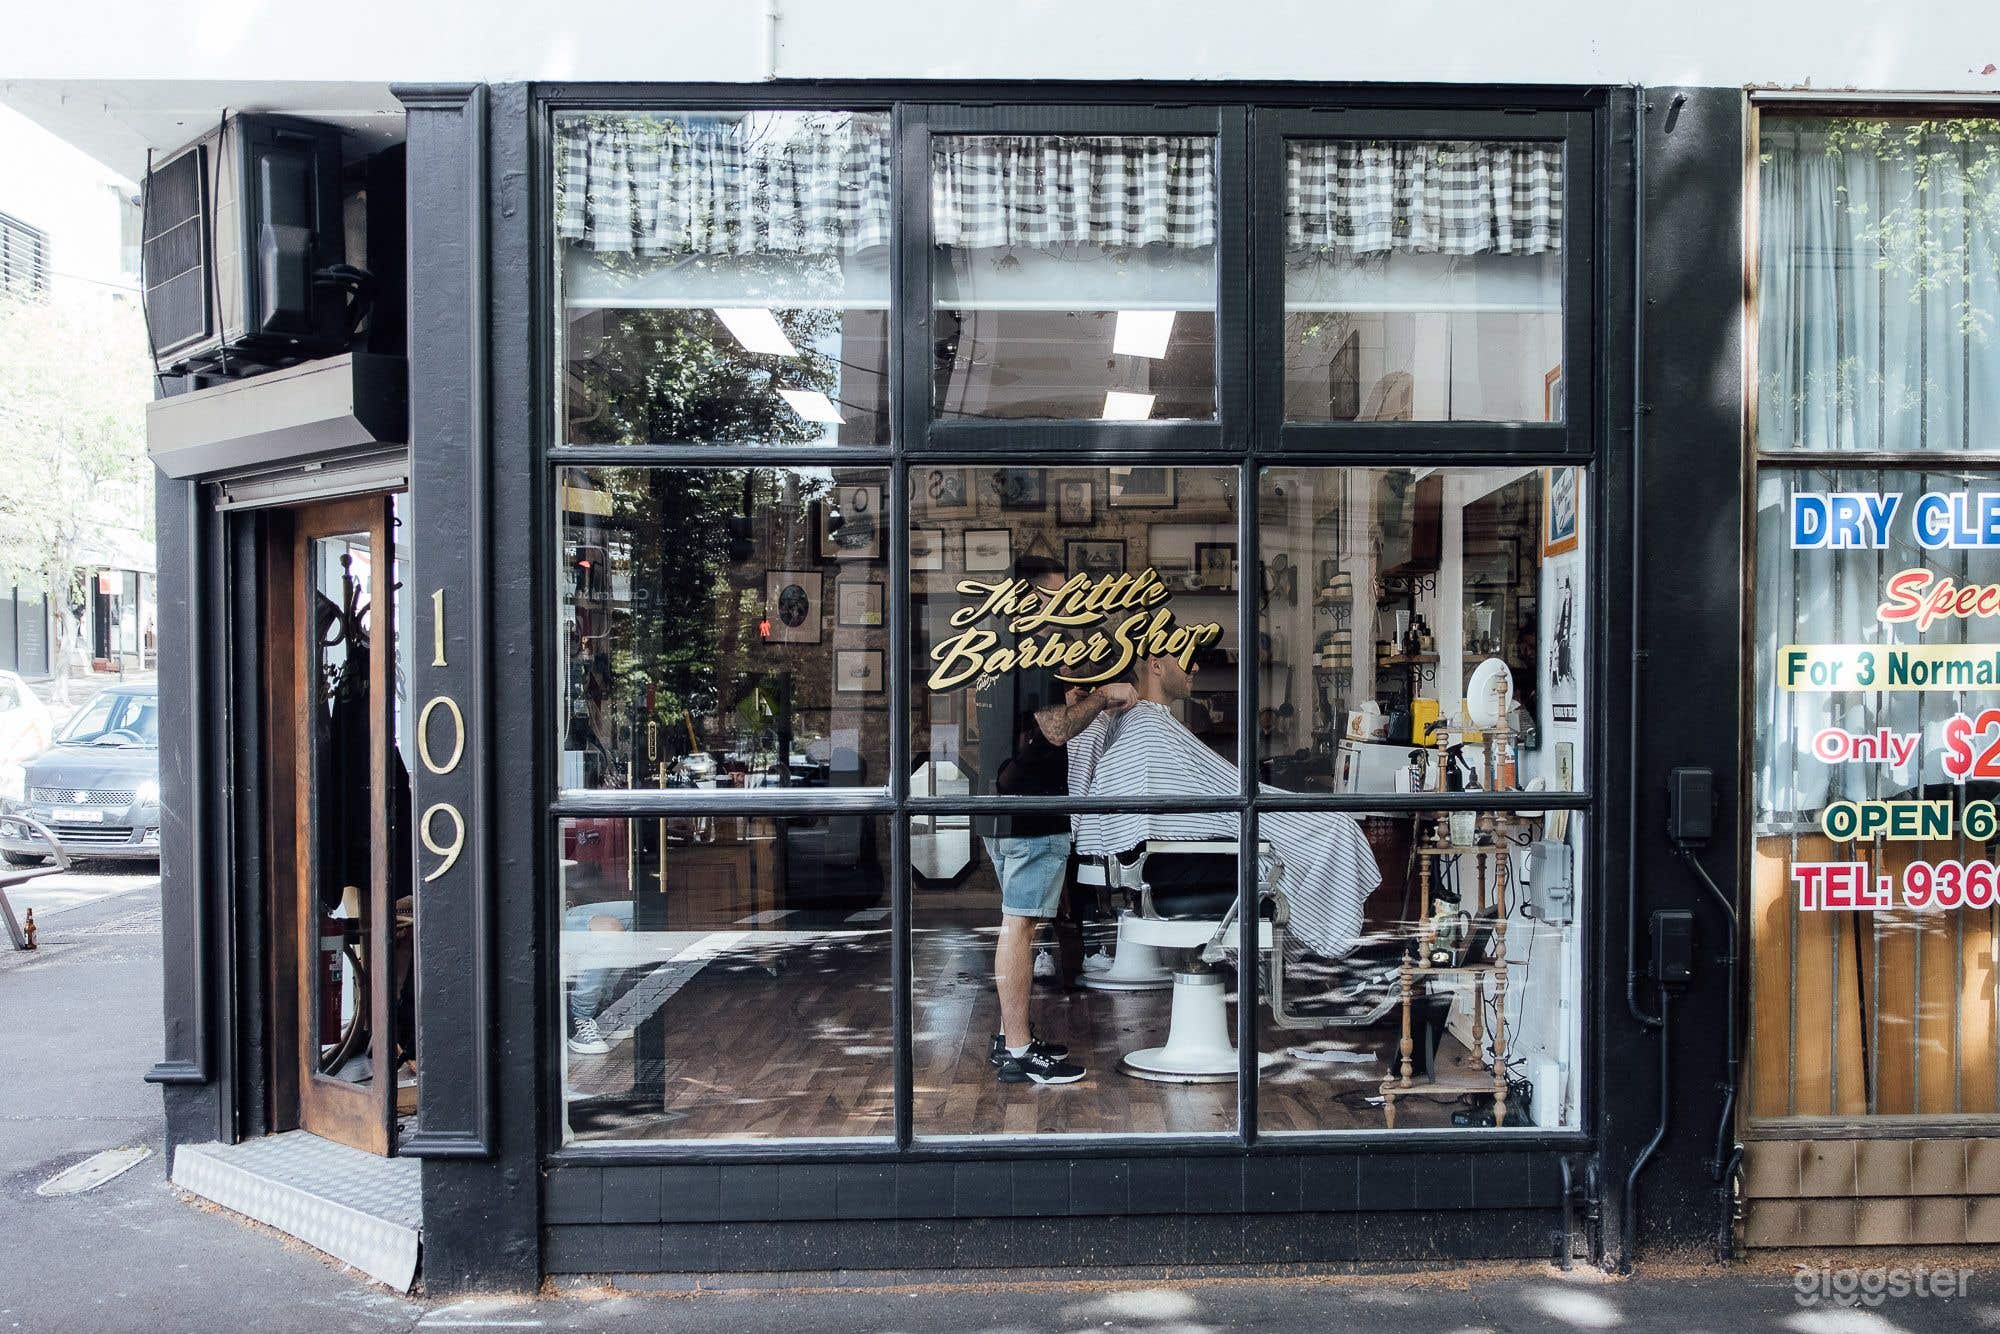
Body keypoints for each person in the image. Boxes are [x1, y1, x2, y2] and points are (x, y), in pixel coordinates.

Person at [1067, 642, 1381, 961]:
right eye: (1185, 657)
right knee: (1328, 830)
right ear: (1156, 665)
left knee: (1322, 828)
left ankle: (1329, 946)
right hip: (1173, 872)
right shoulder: (1146, 726)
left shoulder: (1146, 723)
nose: (1195, 667)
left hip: (1169, 867)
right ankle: (1335, 948)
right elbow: (1190, 815)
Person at [974, 555, 1137, 1085]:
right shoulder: (1036, 654)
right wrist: (1104, 696)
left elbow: (1032, 722)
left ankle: (1010, 1034)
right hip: (1032, 810)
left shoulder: (999, 649)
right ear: (1031, 598)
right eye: (1058, 596)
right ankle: (1019, 1051)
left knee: (1017, 923)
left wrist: (1071, 700)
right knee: (1020, 925)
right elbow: (1055, 730)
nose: (1068, 606)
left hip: (1001, 803)